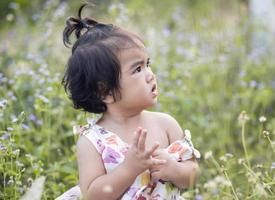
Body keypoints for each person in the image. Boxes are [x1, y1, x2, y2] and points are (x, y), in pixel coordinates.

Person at [56, 3, 200, 200]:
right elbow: (92, 195)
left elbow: (193, 174)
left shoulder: (166, 124)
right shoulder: (93, 142)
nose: (150, 75)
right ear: (104, 91)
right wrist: (128, 169)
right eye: (137, 69)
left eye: (147, 64)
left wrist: (175, 170)